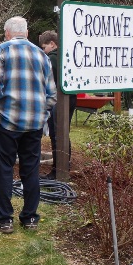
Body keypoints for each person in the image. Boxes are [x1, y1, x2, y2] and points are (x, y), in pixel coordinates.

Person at [0, 16, 56, 233]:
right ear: (27, 32)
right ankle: (30, 218)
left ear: (7, 33)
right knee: (31, 169)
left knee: (3, 168)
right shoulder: (42, 55)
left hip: (6, 120)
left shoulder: (1, 51)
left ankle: (3, 220)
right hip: (34, 122)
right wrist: (42, 115)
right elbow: (51, 94)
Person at [38, 30, 77, 180]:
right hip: (71, 98)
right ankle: (63, 165)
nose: (43, 51)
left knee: (57, 134)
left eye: (44, 47)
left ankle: (58, 169)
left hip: (58, 101)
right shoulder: (67, 55)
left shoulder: (52, 59)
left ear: (52, 44)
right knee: (63, 133)